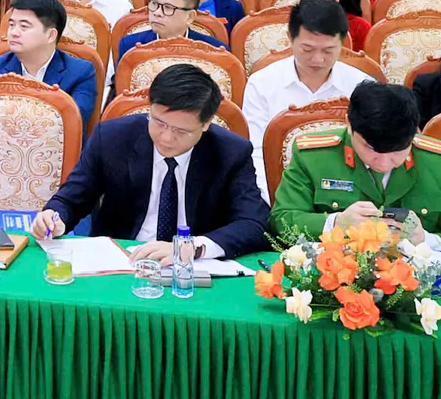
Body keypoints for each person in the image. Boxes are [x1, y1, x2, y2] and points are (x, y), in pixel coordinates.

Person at [31, 64, 269, 259]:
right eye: (159, 122)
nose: (166, 137)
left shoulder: (231, 152)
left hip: (192, 268)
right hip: (122, 259)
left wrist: (193, 247)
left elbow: (253, 224)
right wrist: (55, 216)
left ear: (206, 124)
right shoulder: (112, 137)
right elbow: (72, 198)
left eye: (181, 131)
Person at [270, 80, 441, 252]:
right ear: (349, 125)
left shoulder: (440, 163)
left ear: (415, 133)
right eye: (371, 149)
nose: (384, 163)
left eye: (398, 151)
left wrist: (426, 240)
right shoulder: (314, 156)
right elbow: (280, 222)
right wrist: (336, 224)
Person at [240, 0, 371, 194]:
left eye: (328, 50)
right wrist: (275, 198)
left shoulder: (362, 85)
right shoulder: (262, 84)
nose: (317, 60)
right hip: (280, 187)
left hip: (348, 190)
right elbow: (257, 152)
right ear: (290, 38)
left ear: (343, 42)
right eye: (307, 49)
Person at [0, 0, 98, 135]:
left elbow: (74, 119)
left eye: (24, 26)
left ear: (51, 35)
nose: (14, 33)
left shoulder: (80, 72)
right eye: (11, 25)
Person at [115, 0, 223, 61]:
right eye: (154, 4)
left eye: (168, 7)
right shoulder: (130, 45)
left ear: (190, 17)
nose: (157, 13)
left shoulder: (214, 50)